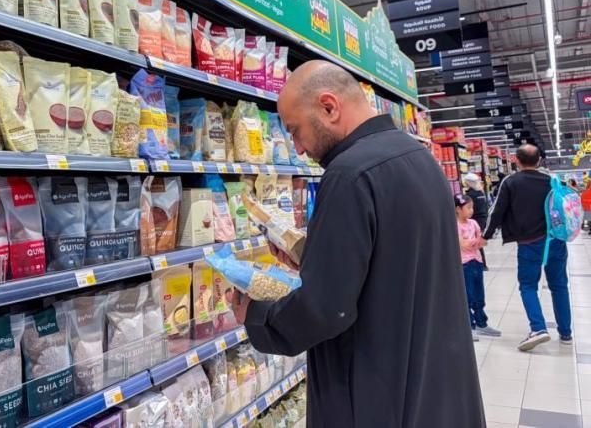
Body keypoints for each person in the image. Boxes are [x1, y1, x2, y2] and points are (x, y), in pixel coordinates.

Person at [231, 60, 485, 428]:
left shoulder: (348, 175)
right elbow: (396, 259)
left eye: (295, 131)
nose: (297, 148)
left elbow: (326, 310)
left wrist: (256, 316)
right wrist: (313, 256)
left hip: (378, 393)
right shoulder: (420, 158)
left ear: (329, 107)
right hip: (434, 383)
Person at [484, 144, 572, 350]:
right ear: (539, 160)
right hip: (556, 241)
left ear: (516, 160)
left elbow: (496, 211)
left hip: (529, 243)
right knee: (559, 286)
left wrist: (485, 236)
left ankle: (538, 328)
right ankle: (565, 332)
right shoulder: (552, 180)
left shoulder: (511, 182)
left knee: (528, 286)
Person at [455, 193, 500, 339]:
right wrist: (475, 242)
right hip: (464, 264)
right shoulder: (455, 225)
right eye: (468, 208)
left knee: (479, 294)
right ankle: (469, 325)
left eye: (472, 207)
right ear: (458, 209)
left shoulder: (473, 223)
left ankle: (482, 323)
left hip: (477, 261)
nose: (471, 211)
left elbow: (482, 242)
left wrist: (475, 242)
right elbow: (464, 245)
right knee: (468, 295)